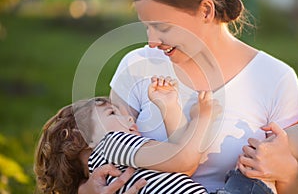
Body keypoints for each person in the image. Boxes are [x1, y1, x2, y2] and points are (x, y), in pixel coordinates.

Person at [79, 0, 298, 193]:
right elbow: (104, 155)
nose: (152, 41)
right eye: (146, 26)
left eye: (162, 27)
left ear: (206, 11)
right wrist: (88, 191)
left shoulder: (275, 78)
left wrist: (288, 174)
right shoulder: (137, 65)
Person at [34, 76, 218, 194]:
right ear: (82, 138)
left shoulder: (114, 169)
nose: (130, 119)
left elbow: (182, 168)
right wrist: (201, 117)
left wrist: (169, 108)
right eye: (113, 114)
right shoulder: (111, 144)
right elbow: (183, 159)